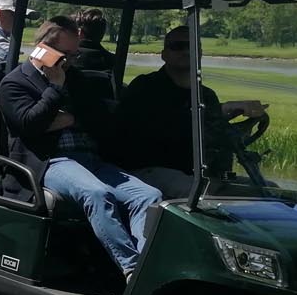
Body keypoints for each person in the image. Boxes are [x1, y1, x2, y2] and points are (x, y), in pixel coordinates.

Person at [0, 18, 160, 280]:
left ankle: (146, 266)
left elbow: (98, 118)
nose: (72, 60)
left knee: (148, 195)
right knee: (97, 193)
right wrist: (55, 88)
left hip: (90, 159)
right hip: (50, 161)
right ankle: (132, 269)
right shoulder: (15, 83)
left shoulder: (77, 78)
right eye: (67, 55)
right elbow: (29, 125)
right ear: (44, 49)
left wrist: (66, 118)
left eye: (75, 54)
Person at [113, 24, 269, 199]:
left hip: (194, 173)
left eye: (192, 47)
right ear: (164, 54)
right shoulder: (145, 87)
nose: (186, 51)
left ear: (200, 53)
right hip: (146, 168)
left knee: (272, 191)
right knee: (207, 194)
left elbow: (216, 138)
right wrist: (220, 110)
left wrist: (240, 132)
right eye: (177, 46)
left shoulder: (206, 95)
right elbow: (155, 128)